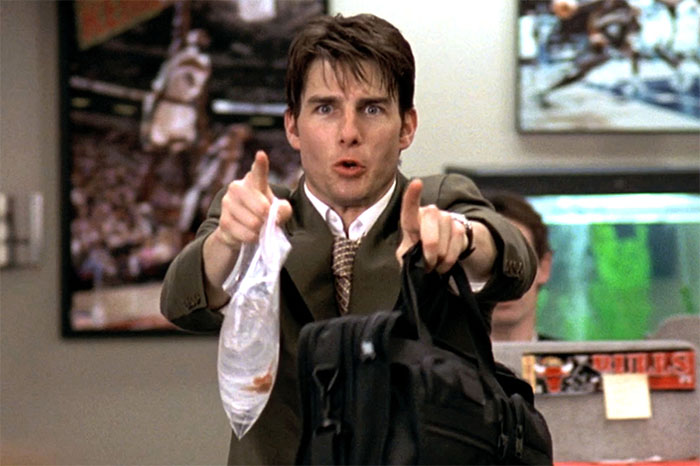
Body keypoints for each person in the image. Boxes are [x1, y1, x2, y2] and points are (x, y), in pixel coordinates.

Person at [160, 13, 536, 465]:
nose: (349, 133)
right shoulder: (259, 212)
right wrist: (226, 242)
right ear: (293, 127)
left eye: (372, 109)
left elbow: (512, 259)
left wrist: (464, 238)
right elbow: (180, 301)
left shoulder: (439, 201)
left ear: (407, 127)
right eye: (326, 108)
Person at [486, 191, 554, 341]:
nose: (505, 279)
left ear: (544, 267)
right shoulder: (436, 357)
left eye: (518, 260)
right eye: (489, 262)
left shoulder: (576, 356)